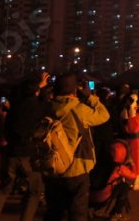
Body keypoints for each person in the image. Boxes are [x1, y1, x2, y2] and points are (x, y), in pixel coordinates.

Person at [43, 73, 110, 221]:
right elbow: (104, 115)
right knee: (77, 212)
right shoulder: (79, 109)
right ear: (74, 91)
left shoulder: (47, 107)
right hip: (77, 166)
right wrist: (89, 97)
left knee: (54, 212)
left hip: (52, 166)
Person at [0, 75, 49, 221]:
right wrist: (42, 88)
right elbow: (45, 107)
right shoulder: (39, 107)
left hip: (12, 152)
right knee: (34, 192)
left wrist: (38, 87)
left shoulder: (15, 107)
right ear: (36, 91)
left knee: (3, 191)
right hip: (30, 155)